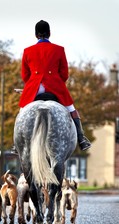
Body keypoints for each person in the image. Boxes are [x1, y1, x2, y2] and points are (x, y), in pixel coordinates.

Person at [13, 20, 91, 152]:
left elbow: (25, 75)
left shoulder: (27, 51)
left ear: (36, 34)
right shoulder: (59, 49)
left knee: (22, 113)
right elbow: (64, 74)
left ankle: (16, 144)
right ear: (49, 33)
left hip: (35, 88)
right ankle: (81, 139)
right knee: (72, 110)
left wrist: (31, 86)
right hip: (55, 87)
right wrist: (57, 82)